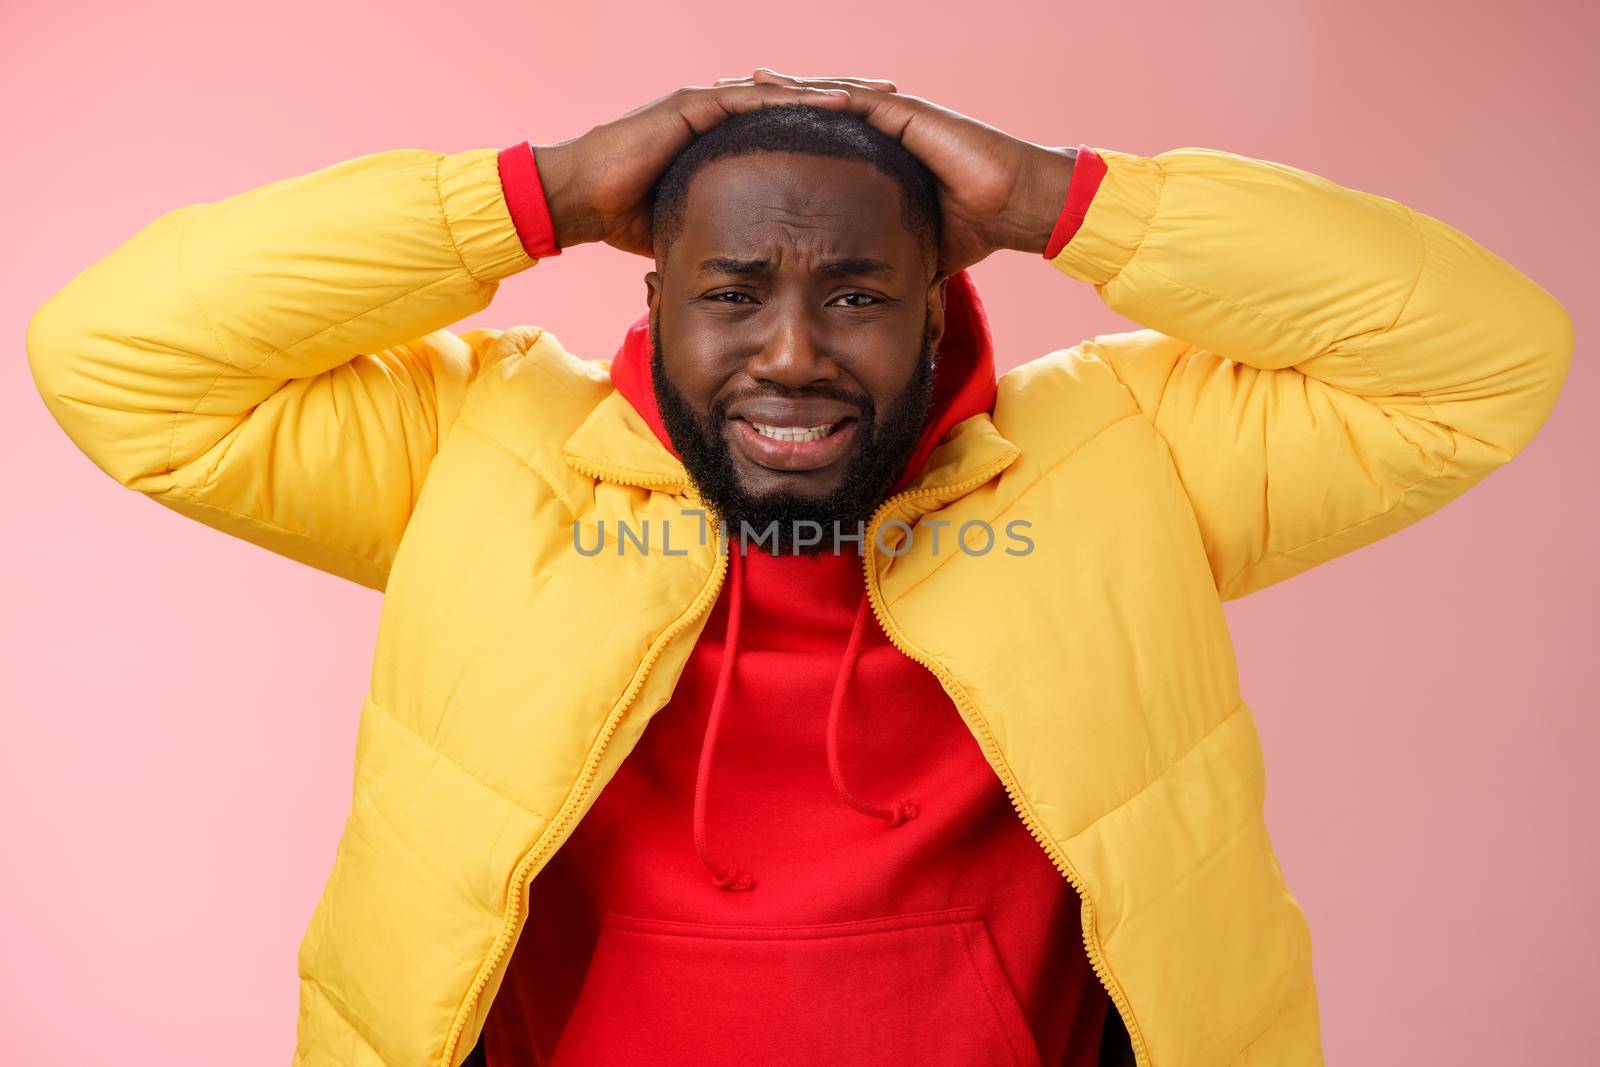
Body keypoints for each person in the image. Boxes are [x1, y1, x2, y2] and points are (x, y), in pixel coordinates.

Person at [25, 69, 1571, 1067]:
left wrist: (1058, 200)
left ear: (937, 299)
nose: (790, 355)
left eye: (852, 296)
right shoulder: (485, 448)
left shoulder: (1115, 459)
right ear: (654, 292)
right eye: (733, 292)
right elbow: (116, 363)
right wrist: (535, 192)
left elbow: (1484, 363)